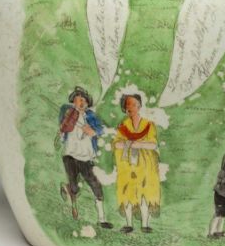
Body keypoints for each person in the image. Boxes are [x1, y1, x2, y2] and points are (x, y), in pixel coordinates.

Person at [58, 86, 113, 228]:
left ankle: (102, 219)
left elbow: (101, 129)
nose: (81, 103)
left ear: (88, 103)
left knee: (96, 185)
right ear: (73, 102)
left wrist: (93, 131)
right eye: (78, 100)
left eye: (84, 100)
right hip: (70, 155)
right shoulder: (68, 113)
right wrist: (64, 127)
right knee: (75, 187)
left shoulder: (90, 116)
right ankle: (70, 192)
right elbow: (63, 127)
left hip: (86, 158)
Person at [112, 93, 160, 233]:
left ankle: (145, 224)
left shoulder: (148, 125)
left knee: (145, 193)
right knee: (127, 192)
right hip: (128, 165)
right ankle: (129, 224)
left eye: (133, 104)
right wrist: (133, 144)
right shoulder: (123, 126)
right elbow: (117, 144)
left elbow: (153, 144)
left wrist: (133, 144)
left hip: (145, 165)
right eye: (128, 105)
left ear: (139, 106)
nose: (130, 107)